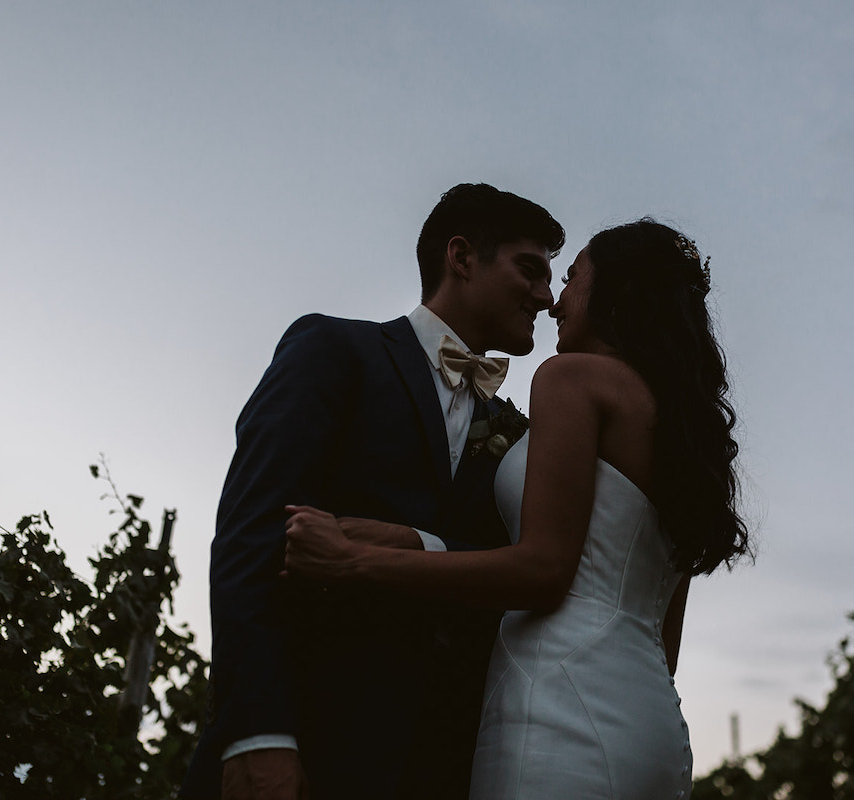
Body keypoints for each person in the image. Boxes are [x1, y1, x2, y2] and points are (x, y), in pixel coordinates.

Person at [284, 218, 751, 800]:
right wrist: (404, 538)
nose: (555, 302)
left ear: (617, 293)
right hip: (650, 720)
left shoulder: (572, 379)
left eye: (574, 277)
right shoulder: (682, 432)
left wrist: (354, 560)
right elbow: (660, 633)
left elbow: (543, 571)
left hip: (558, 706)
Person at [178, 184, 566, 800]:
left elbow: (510, 570)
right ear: (461, 258)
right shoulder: (335, 350)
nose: (547, 298)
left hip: (440, 765)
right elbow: (252, 534)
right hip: (307, 739)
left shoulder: (520, 437)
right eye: (530, 270)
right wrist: (258, 732)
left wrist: (420, 544)